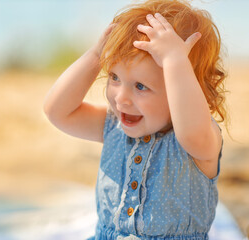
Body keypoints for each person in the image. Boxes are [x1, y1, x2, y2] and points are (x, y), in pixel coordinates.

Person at [43, 0, 227, 239]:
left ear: (185, 86)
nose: (121, 99)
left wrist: (175, 61)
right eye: (114, 77)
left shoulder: (198, 142)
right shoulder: (113, 127)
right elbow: (57, 111)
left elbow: (191, 131)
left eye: (141, 86)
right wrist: (96, 55)